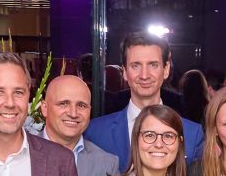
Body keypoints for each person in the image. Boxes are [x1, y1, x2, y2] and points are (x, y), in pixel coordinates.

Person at [83, 33, 203, 167]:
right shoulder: (95, 132)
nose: (144, 75)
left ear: (166, 69)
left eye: (153, 65)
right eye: (136, 66)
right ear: (124, 72)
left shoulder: (192, 134)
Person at [37, 73, 120, 176]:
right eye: (63, 104)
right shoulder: (21, 156)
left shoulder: (107, 165)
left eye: (81, 105)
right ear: (44, 108)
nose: (73, 113)